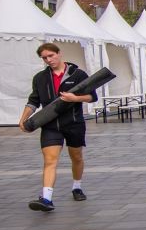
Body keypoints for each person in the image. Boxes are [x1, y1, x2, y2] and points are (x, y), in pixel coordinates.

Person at [20, 42, 95, 212]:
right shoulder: (40, 78)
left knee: (76, 157)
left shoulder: (78, 74)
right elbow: (33, 101)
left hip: (74, 123)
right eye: (44, 58)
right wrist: (23, 119)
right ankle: (46, 199)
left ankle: (77, 187)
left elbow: (92, 96)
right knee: (50, 160)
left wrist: (75, 98)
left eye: (51, 55)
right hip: (50, 124)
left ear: (59, 53)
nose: (48, 60)